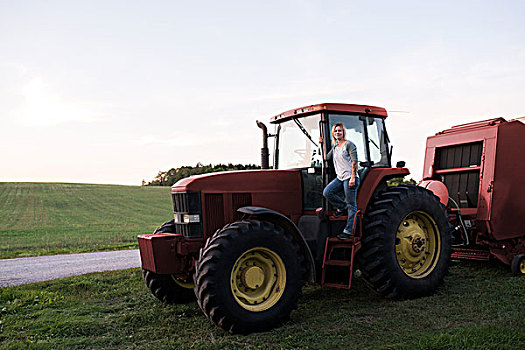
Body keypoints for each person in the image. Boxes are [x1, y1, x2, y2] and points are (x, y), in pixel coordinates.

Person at [323, 123, 359, 239]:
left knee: (351, 205)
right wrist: (321, 144)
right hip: (340, 177)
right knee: (327, 192)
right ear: (333, 134)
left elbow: (354, 162)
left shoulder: (349, 145)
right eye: (336, 131)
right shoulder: (335, 147)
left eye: (340, 131)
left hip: (349, 177)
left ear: (343, 132)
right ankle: (341, 206)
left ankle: (349, 231)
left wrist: (353, 177)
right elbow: (326, 158)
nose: (338, 133)